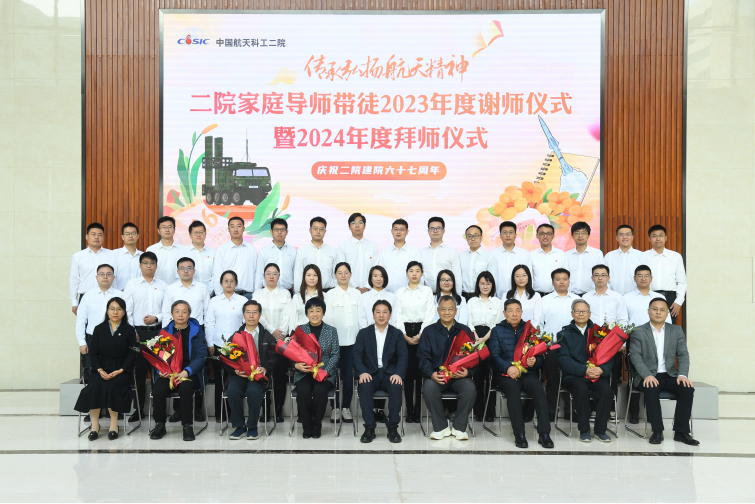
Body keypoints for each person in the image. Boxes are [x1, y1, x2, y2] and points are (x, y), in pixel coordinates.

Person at [629, 298, 699, 446]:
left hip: (670, 375)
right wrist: (647, 375)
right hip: (647, 375)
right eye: (655, 309)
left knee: (687, 388)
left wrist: (682, 375)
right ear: (648, 311)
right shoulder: (638, 332)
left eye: (662, 310)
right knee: (651, 387)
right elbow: (635, 357)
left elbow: (683, 355)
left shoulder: (676, 330)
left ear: (667, 313)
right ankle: (657, 430)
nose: (658, 312)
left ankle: (681, 432)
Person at [489, 299, 554, 449]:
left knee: (538, 389)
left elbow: (540, 357)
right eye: (510, 311)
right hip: (506, 374)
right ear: (504, 313)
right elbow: (494, 356)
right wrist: (507, 368)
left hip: (527, 373)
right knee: (513, 389)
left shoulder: (529, 330)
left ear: (522, 312)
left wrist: (535, 361)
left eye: (517, 310)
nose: (514, 314)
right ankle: (519, 434)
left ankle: (544, 433)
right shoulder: (497, 331)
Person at [75, 297, 137, 441]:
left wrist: (121, 370)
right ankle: (95, 426)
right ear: (107, 311)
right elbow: (94, 353)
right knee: (94, 388)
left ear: (124, 312)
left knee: (113, 387)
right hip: (101, 369)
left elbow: (132, 354)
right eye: (112, 309)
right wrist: (99, 369)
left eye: (119, 309)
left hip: (121, 370)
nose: (115, 312)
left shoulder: (129, 330)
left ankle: (114, 425)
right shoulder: (99, 329)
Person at [419, 296, 477, 440]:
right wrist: (431, 374)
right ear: (438, 311)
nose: (447, 312)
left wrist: (468, 372)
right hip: (437, 376)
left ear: (456, 311)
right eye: (443, 309)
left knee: (470, 388)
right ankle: (441, 427)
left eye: (450, 309)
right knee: (429, 388)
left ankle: (459, 427)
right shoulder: (428, 331)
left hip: (458, 376)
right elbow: (423, 358)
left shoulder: (465, 330)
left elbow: (474, 358)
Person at [149, 301, 208, 442]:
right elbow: (157, 356)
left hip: (188, 373)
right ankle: (159, 424)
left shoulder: (197, 332)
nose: (180, 315)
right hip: (168, 373)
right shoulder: (164, 332)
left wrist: (187, 371)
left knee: (186, 389)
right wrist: (160, 370)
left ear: (189, 314)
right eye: (177, 311)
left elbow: (201, 356)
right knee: (158, 391)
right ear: (172, 314)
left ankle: (187, 426)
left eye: (184, 312)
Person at [556, 299, 614, 443]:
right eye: (577, 311)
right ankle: (584, 430)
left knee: (606, 390)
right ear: (572, 313)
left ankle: (600, 431)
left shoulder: (600, 333)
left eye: (584, 311)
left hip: (596, 374)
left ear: (589, 313)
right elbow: (564, 360)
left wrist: (602, 370)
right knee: (580, 389)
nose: (581, 314)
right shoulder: (563, 334)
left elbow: (609, 357)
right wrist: (584, 370)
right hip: (574, 376)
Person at [353, 300, 407, 444]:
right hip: (370, 373)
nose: (381, 315)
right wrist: (362, 372)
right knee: (364, 386)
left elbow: (403, 357)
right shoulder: (364, 333)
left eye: (385, 312)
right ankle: (369, 428)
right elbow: (356, 355)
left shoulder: (397, 334)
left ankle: (393, 428)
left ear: (390, 314)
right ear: (373, 314)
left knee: (396, 386)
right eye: (378, 312)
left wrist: (398, 374)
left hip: (390, 374)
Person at [623, 265, 671, 425]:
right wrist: (623, 343)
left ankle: (651, 414)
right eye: (639, 275)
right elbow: (623, 321)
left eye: (646, 276)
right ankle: (634, 413)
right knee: (635, 376)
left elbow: (668, 322)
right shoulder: (626, 297)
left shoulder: (659, 297)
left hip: (657, 341)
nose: (643, 279)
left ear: (651, 278)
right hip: (633, 341)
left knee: (653, 374)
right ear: (634, 278)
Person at [226, 300, 279, 441]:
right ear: (243, 315)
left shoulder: (267, 335)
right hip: (240, 374)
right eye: (248, 312)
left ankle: (252, 426)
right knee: (232, 390)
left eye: (254, 312)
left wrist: (265, 368)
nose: (251, 316)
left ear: (260, 315)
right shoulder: (236, 336)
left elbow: (274, 357)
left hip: (258, 374)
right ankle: (239, 426)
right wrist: (235, 370)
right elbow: (226, 358)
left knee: (254, 391)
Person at [123, 252, 166, 423]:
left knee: (158, 372)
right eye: (145, 262)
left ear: (156, 266)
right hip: (138, 334)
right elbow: (127, 311)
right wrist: (132, 331)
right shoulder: (132, 285)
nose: (149, 266)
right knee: (139, 374)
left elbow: (168, 311)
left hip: (158, 333)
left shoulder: (163, 286)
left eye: (152, 263)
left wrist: (157, 318)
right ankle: (138, 409)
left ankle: (158, 410)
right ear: (140, 265)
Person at [394, 261, 436, 423]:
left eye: (417, 271)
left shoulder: (427, 291)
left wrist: (420, 335)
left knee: (419, 373)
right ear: (406, 273)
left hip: (422, 332)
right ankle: (408, 409)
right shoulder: (400, 292)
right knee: (407, 372)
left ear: (422, 274)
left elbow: (430, 315)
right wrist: (404, 335)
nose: (414, 274)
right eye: (411, 271)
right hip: (404, 332)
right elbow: (397, 316)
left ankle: (418, 410)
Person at [292, 298, 340, 439]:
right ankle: (306, 426)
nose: (314, 314)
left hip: (324, 373)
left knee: (320, 391)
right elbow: (292, 351)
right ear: (307, 313)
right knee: (303, 391)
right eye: (311, 311)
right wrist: (296, 365)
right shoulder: (300, 330)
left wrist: (324, 371)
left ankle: (316, 425)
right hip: (304, 372)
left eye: (318, 310)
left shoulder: (331, 331)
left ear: (323, 313)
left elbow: (335, 354)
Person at [252, 263, 293, 423]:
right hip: (262, 339)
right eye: (268, 273)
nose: (271, 276)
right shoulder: (257, 293)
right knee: (263, 373)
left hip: (281, 340)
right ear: (263, 276)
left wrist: (280, 334)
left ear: (279, 276)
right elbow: (257, 315)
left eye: (274, 273)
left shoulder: (285, 294)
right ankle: (265, 409)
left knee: (280, 375)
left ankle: (278, 409)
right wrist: (271, 330)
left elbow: (287, 315)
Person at [205, 270, 246, 423]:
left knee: (235, 379)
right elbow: (209, 323)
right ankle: (220, 414)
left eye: (232, 281)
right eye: (226, 281)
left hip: (237, 347)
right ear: (221, 283)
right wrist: (210, 343)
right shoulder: (214, 301)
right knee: (219, 379)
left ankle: (234, 414)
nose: (229, 283)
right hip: (218, 346)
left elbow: (245, 324)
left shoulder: (242, 300)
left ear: (236, 283)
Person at [540, 269, 580, 420]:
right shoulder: (545, 300)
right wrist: (542, 344)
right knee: (552, 380)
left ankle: (571, 410)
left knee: (572, 377)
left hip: (573, 347)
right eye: (558, 279)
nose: (561, 282)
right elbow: (539, 324)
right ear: (553, 282)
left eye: (564, 279)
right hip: (552, 345)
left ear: (569, 281)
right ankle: (551, 410)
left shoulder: (577, 300)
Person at [324, 262, 361, 424]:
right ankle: (335, 408)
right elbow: (327, 320)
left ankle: (346, 407)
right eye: (339, 273)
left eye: (346, 272)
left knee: (348, 376)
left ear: (351, 274)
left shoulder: (357, 294)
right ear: (335, 275)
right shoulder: (330, 295)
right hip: (335, 344)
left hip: (353, 342)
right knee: (333, 375)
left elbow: (362, 318)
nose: (343, 275)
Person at [76, 264, 124, 385]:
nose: (105, 277)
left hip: (116, 340)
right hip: (93, 340)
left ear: (113, 277)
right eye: (102, 274)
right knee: (92, 374)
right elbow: (81, 321)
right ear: (96, 277)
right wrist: (82, 342)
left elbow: (127, 318)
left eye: (108, 274)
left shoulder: (121, 295)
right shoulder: (87, 296)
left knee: (113, 374)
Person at [467, 271, 503, 422]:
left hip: (491, 339)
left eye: (488, 283)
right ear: (478, 285)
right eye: (482, 283)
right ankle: (478, 411)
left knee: (490, 376)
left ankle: (490, 412)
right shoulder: (471, 301)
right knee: (477, 376)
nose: (485, 286)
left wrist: (484, 338)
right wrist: (476, 337)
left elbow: (497, 323)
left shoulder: (497, 302)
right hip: (474, 340)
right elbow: (469, 321)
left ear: (492, 285)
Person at [644, 225, 687, 323]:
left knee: (668, 329)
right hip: (649, 297)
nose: (658, 239)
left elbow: (682, 282)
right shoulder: (643, 256)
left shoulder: (675, 256)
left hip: (670, 299)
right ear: (649, 239)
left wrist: (678, 301)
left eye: (661, 235)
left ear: (666, 238)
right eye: (654, 236)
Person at [70, 223, 116, 315]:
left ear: (103, 237)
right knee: (86, 324)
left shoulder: (112, 254)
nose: (96, 237)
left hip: (108, 297)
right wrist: (74, 302)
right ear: (87, 236)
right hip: (86, 297)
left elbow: (116, 277)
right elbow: (74, 280)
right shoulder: (78, 256)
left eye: (100, 235)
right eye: (93, 234)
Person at [212, 217, 257, 299]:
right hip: (227, 295)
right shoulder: (221, 250)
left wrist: (256, 293)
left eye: (239, 226)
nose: (235, 229)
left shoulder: (252, 249)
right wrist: (219, 295)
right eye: (232, 226)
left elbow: (255, 273)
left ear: (243, 229)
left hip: (248, 295)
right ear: (228, 229)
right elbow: (217, 274)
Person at [162, 257, 211, 328]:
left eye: (189, 268)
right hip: (177, 328)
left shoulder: (203, 288)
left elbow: (207, 313)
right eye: (182, 268)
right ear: (178, 271)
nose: (186, 271)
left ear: (194, 271)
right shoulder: (170, 288)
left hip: (197, 328)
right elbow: (166, 313)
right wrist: (166, 331)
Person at [294, 217, 340, 292]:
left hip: (328, 291)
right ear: (310, 230)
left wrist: (336, 291)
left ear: (325, 231)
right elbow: (298, 275)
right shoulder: (302, 250)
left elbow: (336, 274)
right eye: (315, 228)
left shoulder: (332, 250)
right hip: (308, 292)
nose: (318, 232)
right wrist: (298, 294)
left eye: (321, 229)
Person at [337, 213, 379, 294]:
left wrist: (367, 286)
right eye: (353, 223)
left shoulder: (372, 245)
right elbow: (342, 270)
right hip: (349, 290)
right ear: (349, 227)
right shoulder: (343, 246)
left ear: (365, 226)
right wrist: (355, 287)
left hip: (370, 291)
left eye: (360, 223)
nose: (357, 226)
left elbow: (376, 267)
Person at [420, 217, 462, 296]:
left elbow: (457, 278)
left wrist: (457, 298)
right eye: (432, 228)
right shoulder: (421, 253)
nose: (435, 231)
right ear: (428, 231)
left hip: (447, 295)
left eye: (438, 228)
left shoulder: (452, 252)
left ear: (443, 231)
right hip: (427, 295)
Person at [378, 219, 422, 294]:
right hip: (387, 293)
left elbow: (420, 274)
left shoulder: (414, 251)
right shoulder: (385, 252)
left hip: (409, 294)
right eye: (396, 229)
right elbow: (380, 272)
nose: (398, 232)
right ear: (392, 231)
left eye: (402, 229)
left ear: (407, 232)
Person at [255, 218, 297, 293]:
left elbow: (296, 274)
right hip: (268, 292)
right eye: (276, 229)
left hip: (288, 291)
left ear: (287, 232)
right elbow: (259, 274)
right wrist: (257, 293)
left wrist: (296, 293)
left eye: (282, 229)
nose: (279, 232)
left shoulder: (293, 251)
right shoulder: (263, 251)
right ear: (271, 231)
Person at [492, 221, 532, 298]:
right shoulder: (493, 254)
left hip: (519, 298)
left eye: (511, 232)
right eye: (504, 232)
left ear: (515, 235)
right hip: (497, 298)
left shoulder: (524, 254)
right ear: (500, 236)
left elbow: (529, 277)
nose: (508, 235)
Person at [604, 225, 644, 295]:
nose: (625, 237)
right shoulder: (609, 256)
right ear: (617, 238)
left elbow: (645, 278)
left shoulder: (641, 256)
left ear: (632, 237)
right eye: (621, 234)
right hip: (613, 296)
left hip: (635, 296)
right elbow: (604, 277)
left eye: (628, 234)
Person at [565, 222, 604, 296]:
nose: (580, 236)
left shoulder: (597, 254)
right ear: (572, 236)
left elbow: (601, 275)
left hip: (591, 295)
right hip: (571, 295)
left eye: (584, 233)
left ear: (588, 235)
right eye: (577, 233)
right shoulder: (566, 255)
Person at [530, 223, 568, 298]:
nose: (545, 236)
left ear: (553, 236)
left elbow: (566, 276)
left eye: (548, 234)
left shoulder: (561, 254)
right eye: (542, 233)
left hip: (556, 295)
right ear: (537, 236)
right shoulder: (531, 255)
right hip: (536, 296)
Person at [460, 225, 496, 301]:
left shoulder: (489, 257)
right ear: (466, 238)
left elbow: (492, 280)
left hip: (481, 297)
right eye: (469, 236)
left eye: (476, 236)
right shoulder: (460, 256)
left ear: (481, 237)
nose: (473, 239)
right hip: (463, 297)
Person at [146, 216, 185, 285]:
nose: (167, 230)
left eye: (170, 227)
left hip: (178, 287)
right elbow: (148, 271)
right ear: (159, 231)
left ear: (174, 230)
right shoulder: (151, 250)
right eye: (163, 227)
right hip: (157, 287)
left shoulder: (183, 250)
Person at [184, 221, 215, 294]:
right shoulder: (183, 252)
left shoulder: (213, 252)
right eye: (195, 232)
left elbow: (215, 275)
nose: (198, 235)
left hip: (210, 292)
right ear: (190, 235)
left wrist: (209, 291)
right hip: (189, 292)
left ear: (205, 234)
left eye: (201, 232)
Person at [290, 264, 325, 329]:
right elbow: (292, 320)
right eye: (308, 275)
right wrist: (292, 333)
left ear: (319, 278)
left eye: (315, 275)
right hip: (301, 332)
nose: (312, 278)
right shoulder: (297, 297)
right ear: (304, 277)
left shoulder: (325, 296)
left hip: (321, 332)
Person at [112, 222, 142, 291]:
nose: (130, 236)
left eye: (133, 233)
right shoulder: (114, 254)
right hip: (120, 293)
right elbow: (111, 275)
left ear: (137, 236)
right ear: (122, 237)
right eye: (127, 234)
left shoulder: (143, 256)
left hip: (139, 293)